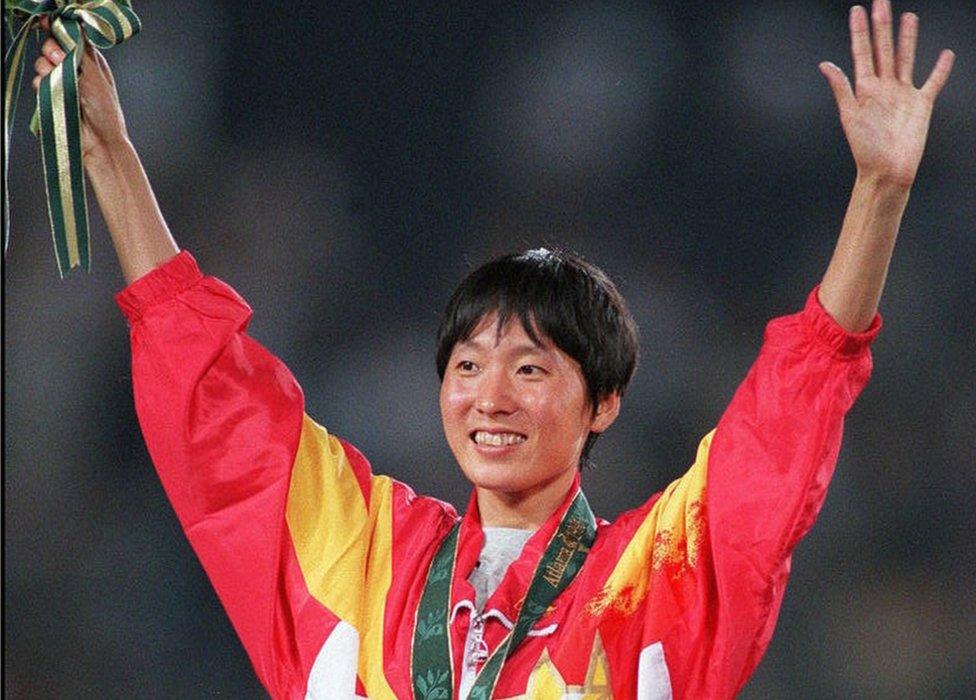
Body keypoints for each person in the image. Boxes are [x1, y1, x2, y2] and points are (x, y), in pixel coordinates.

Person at [29, 1, 954, 698]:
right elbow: (212, 403)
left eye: (532, 368)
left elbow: (788, 415)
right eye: (468, 365)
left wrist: (876, 192)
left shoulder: (653, 581)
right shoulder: (364, 553)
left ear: (603, 405)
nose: (490, 396)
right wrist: (110, 155)